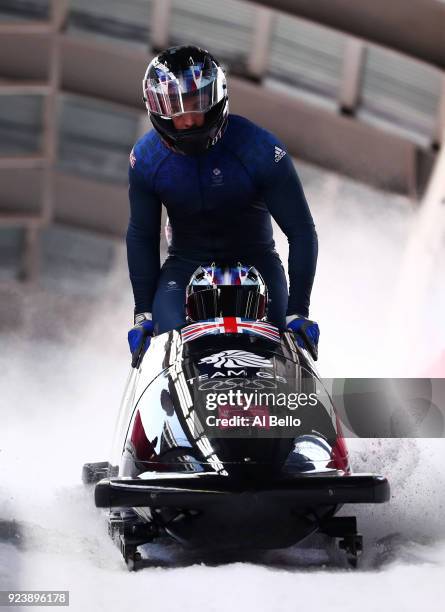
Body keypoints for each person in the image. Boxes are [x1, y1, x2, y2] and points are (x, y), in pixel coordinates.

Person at [126, 45, 319, 361]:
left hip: (257, 260)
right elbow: (141, 235)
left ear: (215, 99)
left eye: (196, 105)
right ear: (157, 110)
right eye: (175, 109)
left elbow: (300, 231)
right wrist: (144, 314)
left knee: (282, 344)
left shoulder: (259, 148)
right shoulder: (145, 159)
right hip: (186, 263)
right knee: (167, 340)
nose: (188, 120)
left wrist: (298, 311)